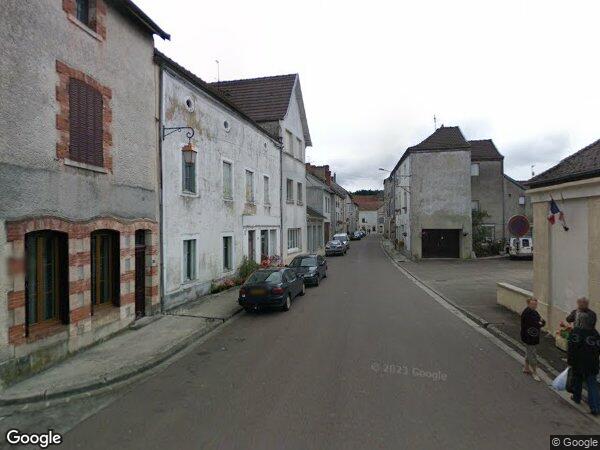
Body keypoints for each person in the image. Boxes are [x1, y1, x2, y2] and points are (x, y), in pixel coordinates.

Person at [567, 315, 600, 415]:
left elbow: (571, 347)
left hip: (578, 362)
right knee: (592, 384)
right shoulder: (596, 334)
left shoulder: (576, 332)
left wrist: (570, 362)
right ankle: (595, 407)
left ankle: (576, 398)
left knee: (578, 379)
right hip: (592, 363)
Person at [520, 298, 546, 381]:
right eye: (532, 304)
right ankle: (535, 373)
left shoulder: (534, 312)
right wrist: (540, 323)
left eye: (535, 304)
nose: (534, 306)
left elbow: (542, 321)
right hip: (529, 337)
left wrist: (540, 322)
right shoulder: (527, 313)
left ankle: (526, 368)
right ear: (528, 304)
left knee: (529, 351)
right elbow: (536, 324)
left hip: (533, 336)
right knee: (533, 354)